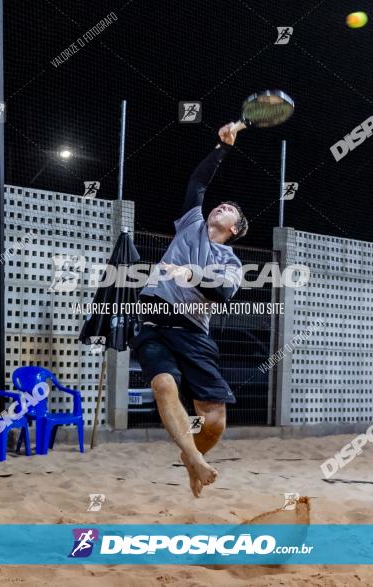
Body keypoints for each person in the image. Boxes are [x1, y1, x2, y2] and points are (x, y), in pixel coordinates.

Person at [130, 122, 249, 497]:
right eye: (222, 203)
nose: (222, 206)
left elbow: (223, 295)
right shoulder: (192, 224)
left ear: (234, 229)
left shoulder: (230, 261)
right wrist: (223, 147)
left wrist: (191, 274)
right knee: (164, 385)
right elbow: (198, 184)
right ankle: (193, 458)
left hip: (194, 330)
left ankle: (191, 456)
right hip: (155, 316)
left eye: (230, 209)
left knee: (213, 418)